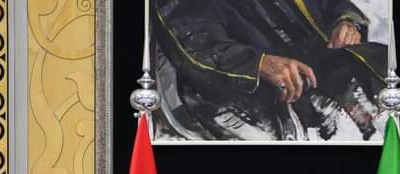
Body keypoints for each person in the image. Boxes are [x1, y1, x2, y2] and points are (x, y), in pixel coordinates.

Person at [153, 0, 387, 141]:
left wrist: (346, 22)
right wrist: (259, 64)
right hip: (244, 88)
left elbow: (332, 4)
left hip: (320, 64)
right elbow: (194, 42)